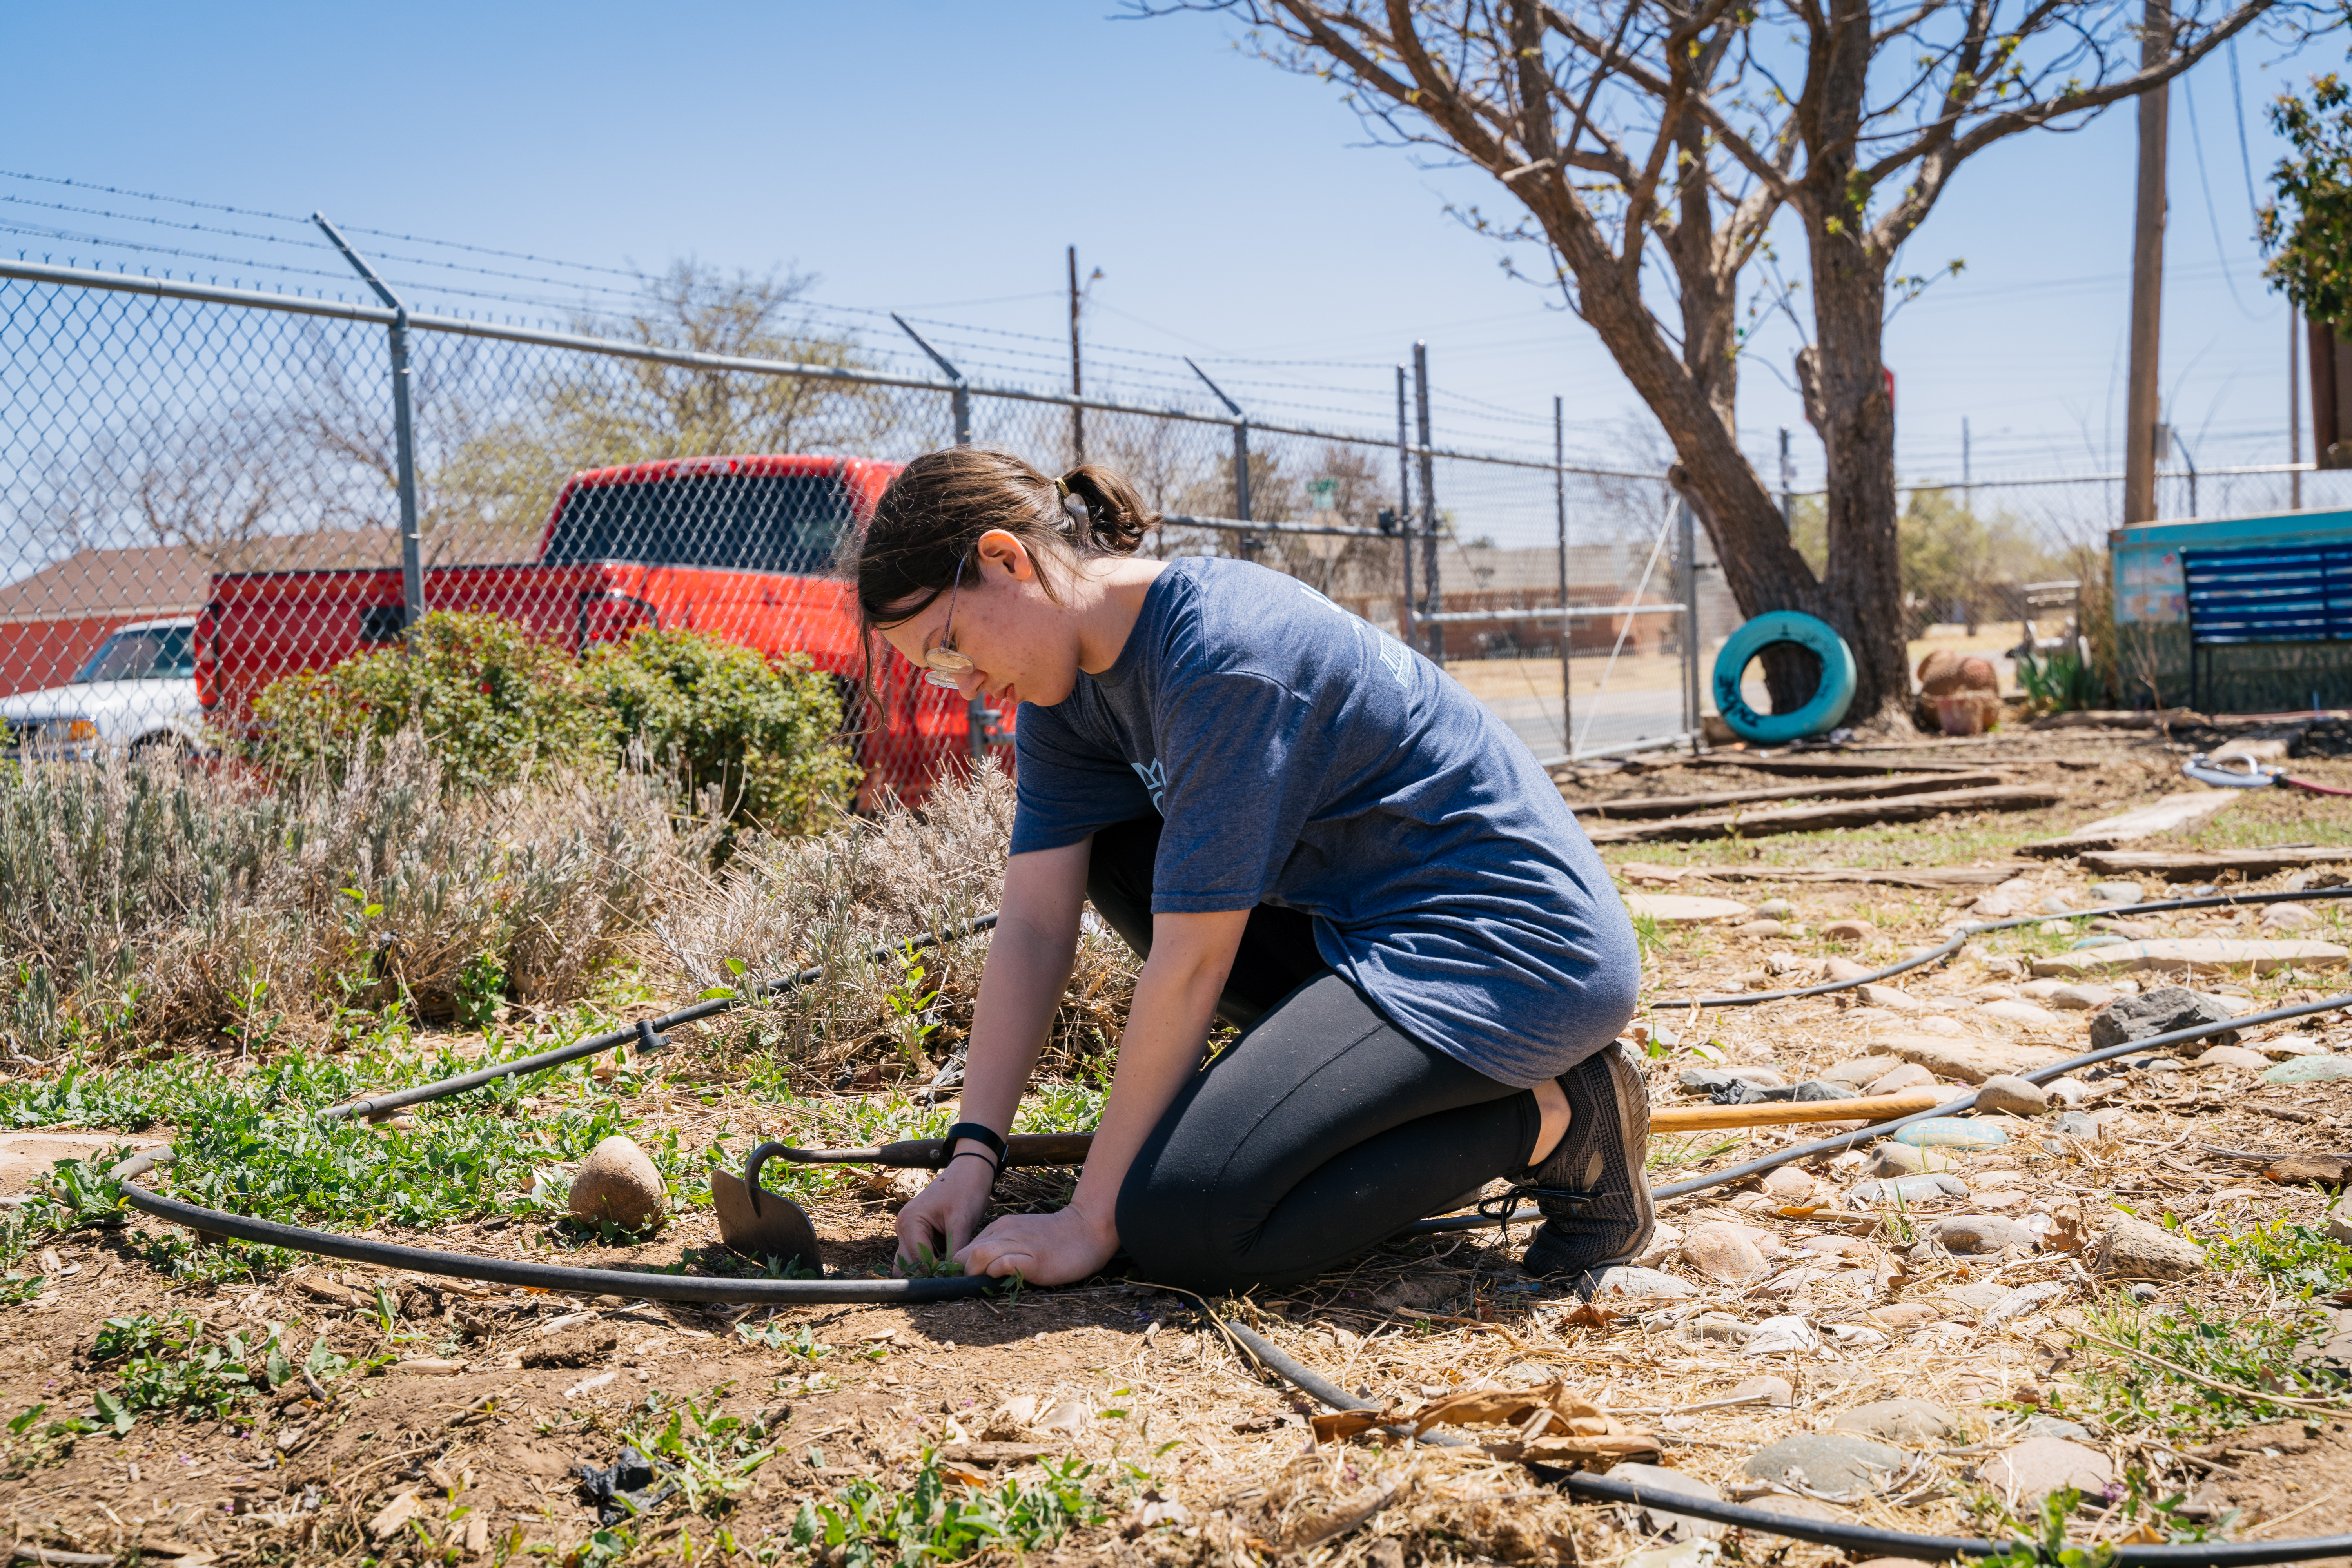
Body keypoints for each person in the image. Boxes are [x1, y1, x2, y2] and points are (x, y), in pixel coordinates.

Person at [857, 445, 1646, 1292]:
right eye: (935, 671)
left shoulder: (1224, 655)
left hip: (1509, 947)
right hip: (1362, 928)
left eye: (948, 647)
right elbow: (1036, 926)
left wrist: (1090, 1218)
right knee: (1118, 852)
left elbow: (1194, 961)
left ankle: (1557, 1115)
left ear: (1008, 559)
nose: (962, 684)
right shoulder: (1065, 683)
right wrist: (973, 1155)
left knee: (1182, 1220)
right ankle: (1408, 1096)